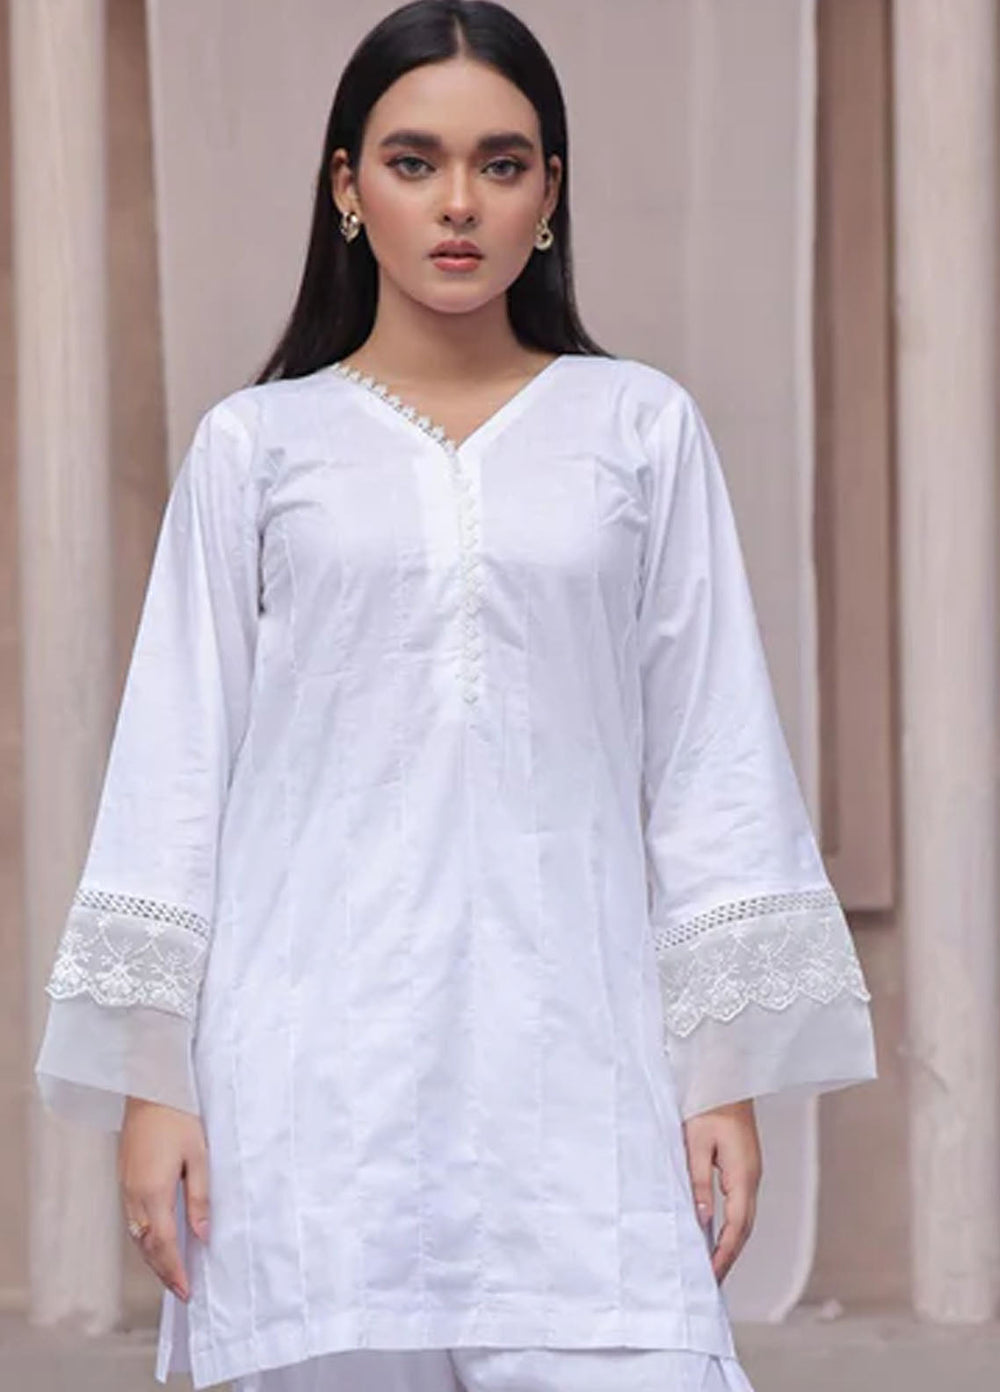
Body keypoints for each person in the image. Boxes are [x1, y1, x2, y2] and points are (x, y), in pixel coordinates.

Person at [33, 2, 878, 1389]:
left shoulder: (638, 429)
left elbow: (711, 751)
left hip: (578, 1066)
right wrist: (155, 1086)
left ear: (550, 193)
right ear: (347, 185)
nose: (459, 203)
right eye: (414, 161)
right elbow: (174, 770)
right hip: (311, 1080)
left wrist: (721, 1076)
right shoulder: (258, 448)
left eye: (502, 162)